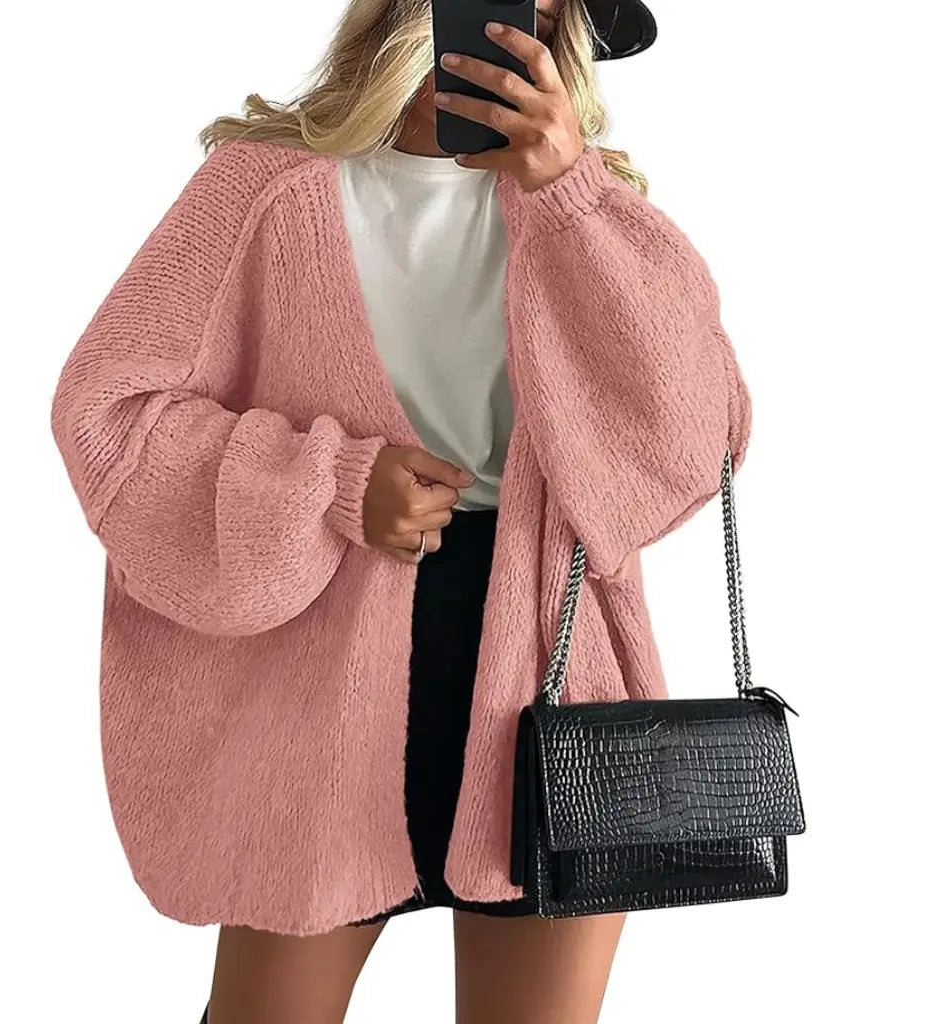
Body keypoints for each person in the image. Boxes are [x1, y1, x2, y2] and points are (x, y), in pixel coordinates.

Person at [50, 1, 751, 1021]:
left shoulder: (597, 208)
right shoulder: (261, 186)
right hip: (309, 680)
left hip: (549, 681)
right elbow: (108, 414)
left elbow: (694, 449)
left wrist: (571, 200)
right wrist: (332, 483)